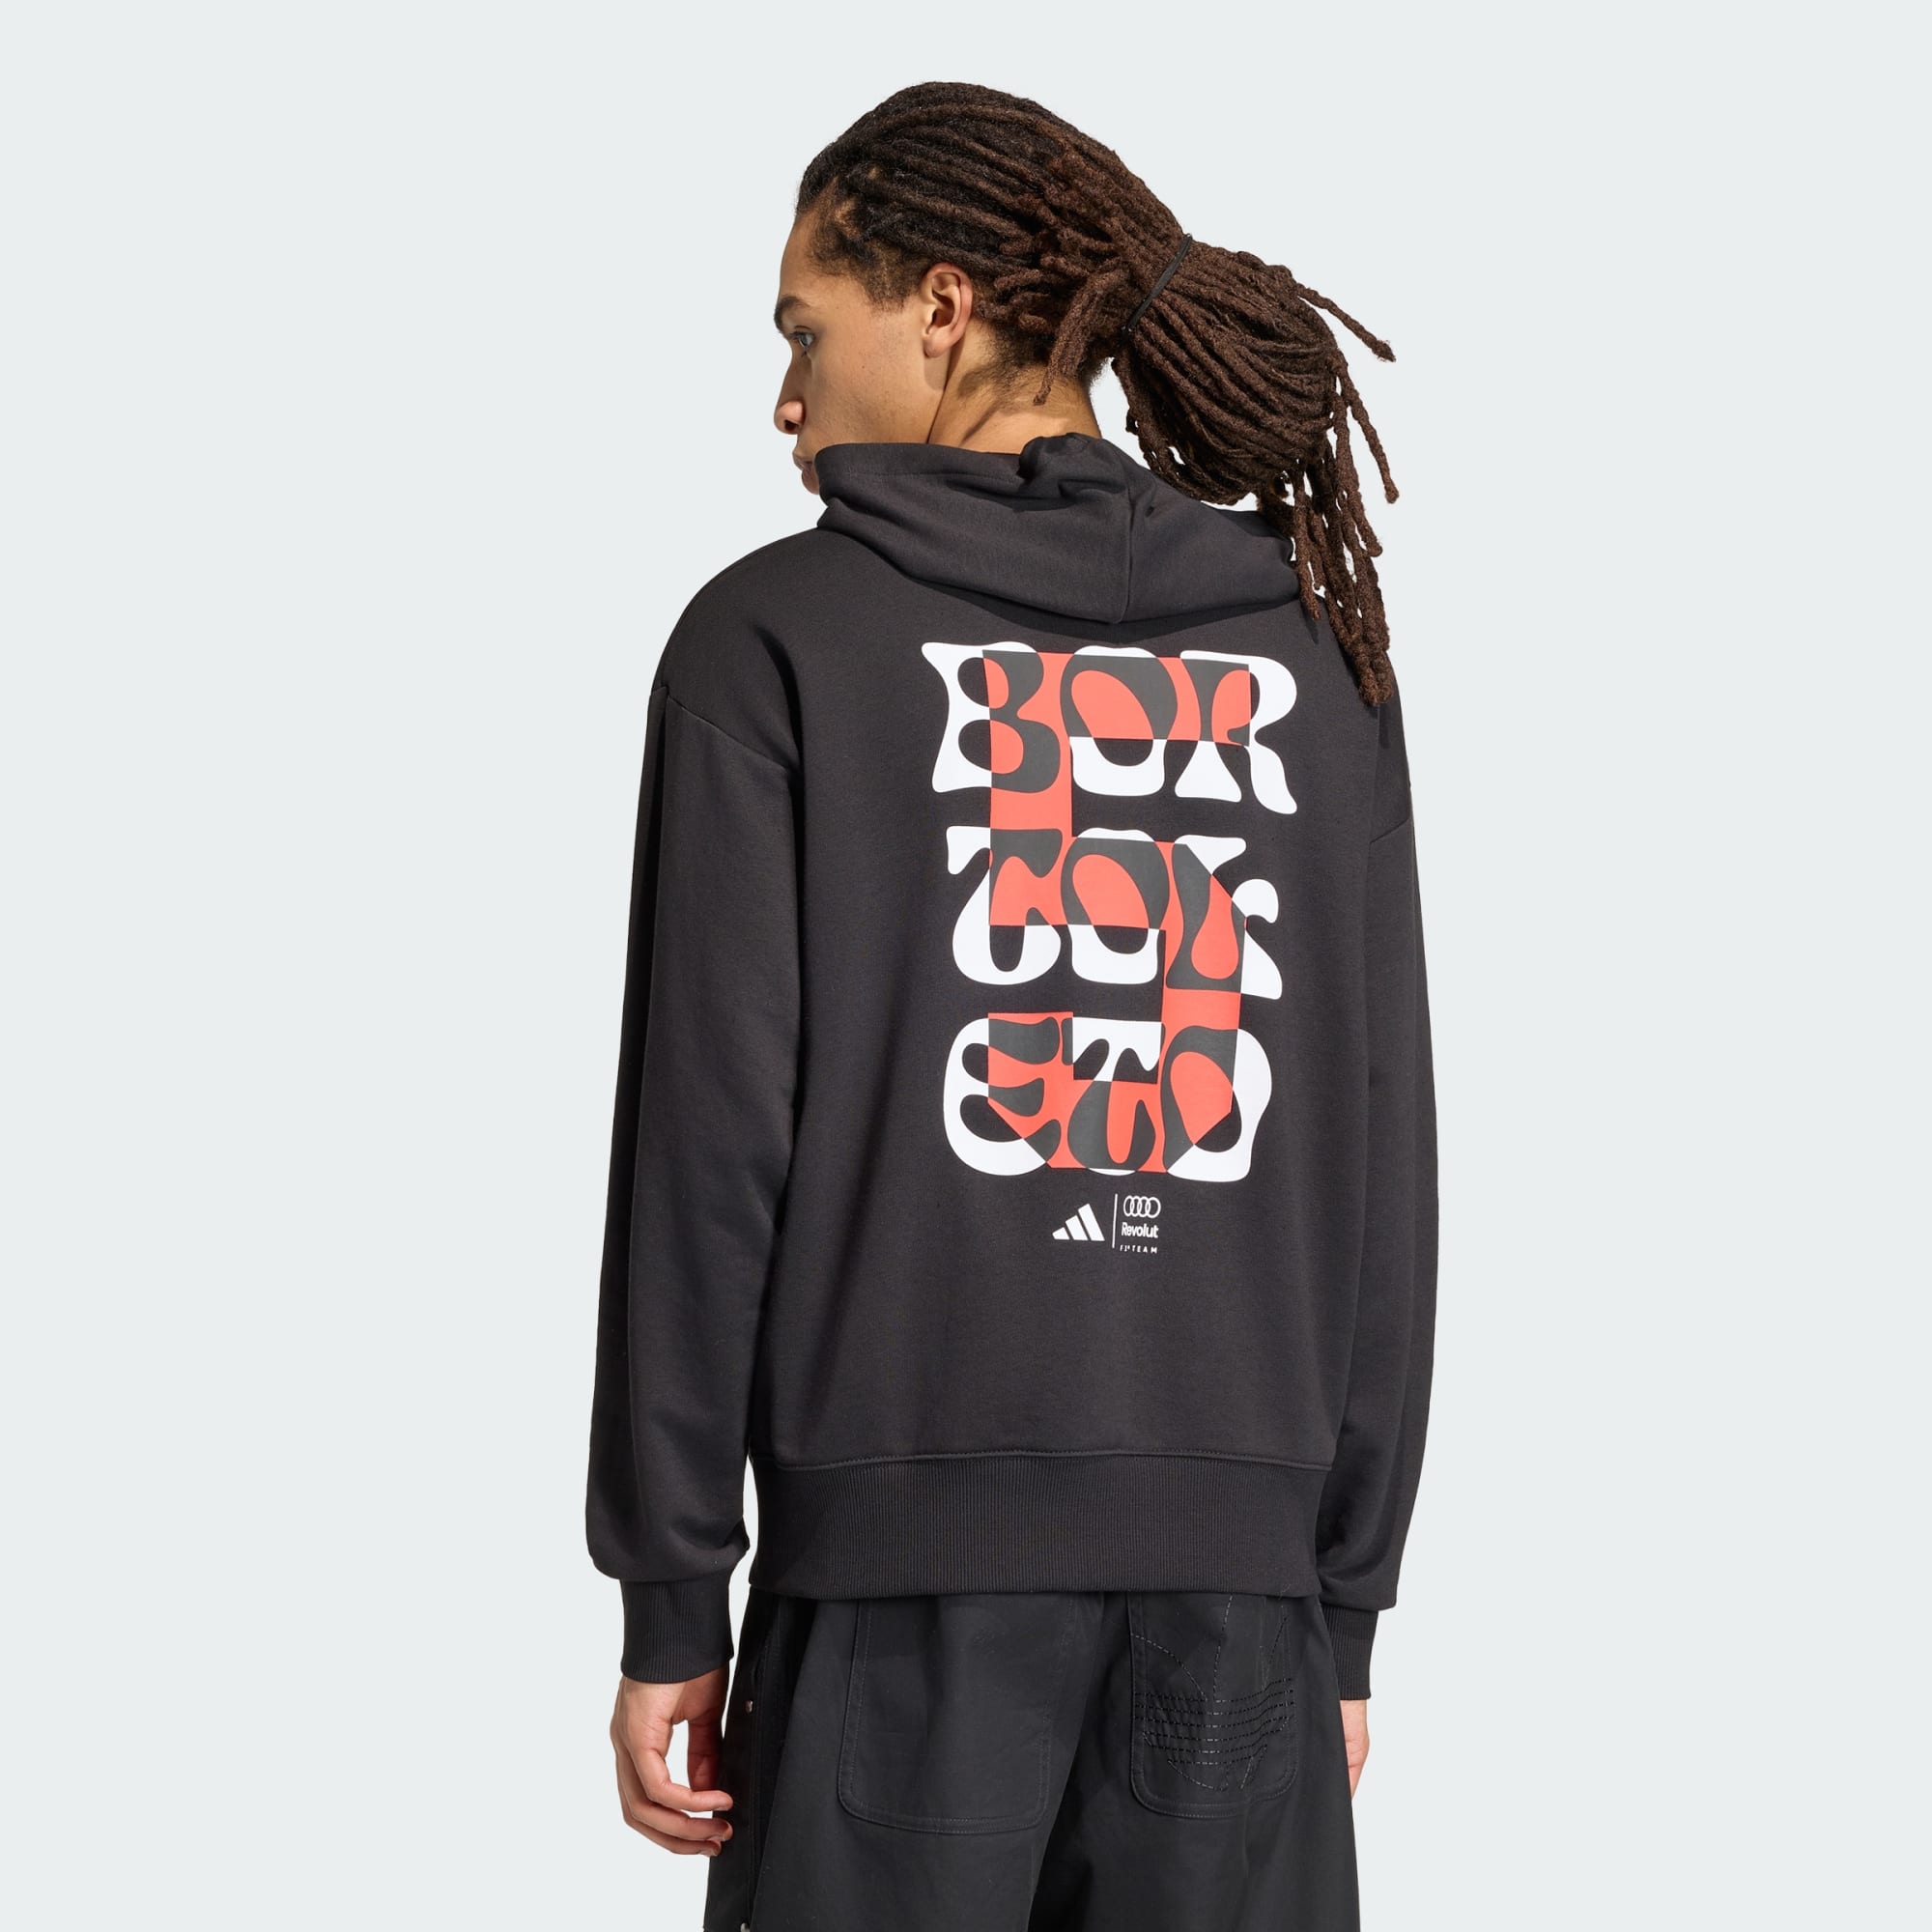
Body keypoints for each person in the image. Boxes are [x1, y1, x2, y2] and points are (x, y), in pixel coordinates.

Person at [586, 80, 1438, 1932]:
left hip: (895, 1619)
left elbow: (708, 1156)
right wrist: (1340, 1601)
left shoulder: (777, 642)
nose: (789, 397)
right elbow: (1382, 1157)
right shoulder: (1315, 658)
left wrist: (672, 1599)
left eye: (805, 329)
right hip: (1243, 1623)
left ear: (942, 307)